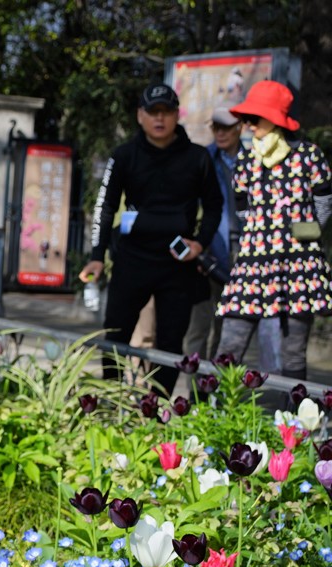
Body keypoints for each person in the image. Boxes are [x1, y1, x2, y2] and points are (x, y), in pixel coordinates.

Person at [79, 83, 223, 395]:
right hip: (132, 258)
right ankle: (113, 400)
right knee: (115, 334)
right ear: (140, 116)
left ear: (176, 115)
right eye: (153, 112)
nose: (160, 119)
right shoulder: (124, 155)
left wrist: (200, 242)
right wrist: (96, 255)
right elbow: (105, 206)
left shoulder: (198, 157)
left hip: (177, 263)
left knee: (171, 341)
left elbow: (214, 205)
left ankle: (155, 410)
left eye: (167, 112)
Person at [215, 81, 332, 382]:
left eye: (255, 118)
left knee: (294, 352)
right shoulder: (246, 159)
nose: (249, 125)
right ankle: (213, 416)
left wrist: (306, 231)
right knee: (230, 344)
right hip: (253, 263)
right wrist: (258, 231)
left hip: (298, 264)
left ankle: (296, 423)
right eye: (246, 119)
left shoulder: (309, 154)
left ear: (276, 119)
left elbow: (324, 200)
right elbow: (240, 204)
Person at [184, 106, 282, 369]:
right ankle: (196, 393)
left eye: (226, 127)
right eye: (216, 127)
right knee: (197, 327)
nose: (220, 133)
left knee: (226, 328)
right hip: (205, 251)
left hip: (242, 256)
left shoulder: (255, 160)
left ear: (239, 127)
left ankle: (212, 389)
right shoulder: (203, 159)